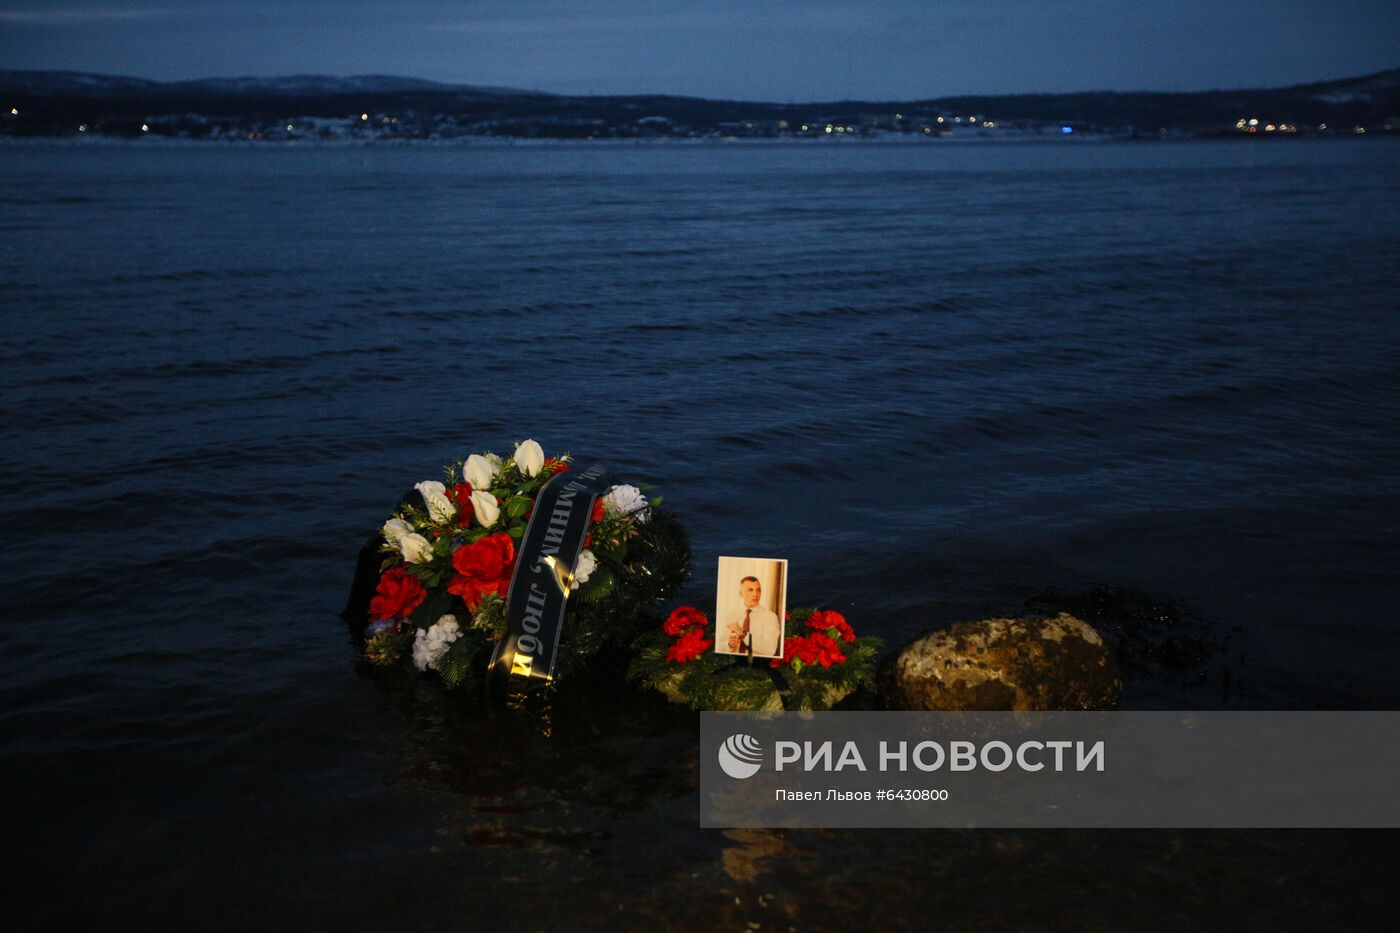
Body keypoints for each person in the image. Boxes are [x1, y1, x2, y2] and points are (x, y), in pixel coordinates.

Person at [723, 575, 782, 658]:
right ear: (741, 593)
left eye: (758, 590)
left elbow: (770, 650)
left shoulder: (770, 617)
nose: (755, 594)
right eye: (750, 590)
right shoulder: (731, 617)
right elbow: (719, 645)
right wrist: (730, 645)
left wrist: (743, 634)